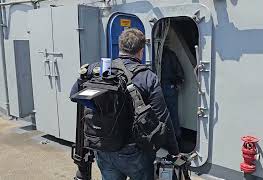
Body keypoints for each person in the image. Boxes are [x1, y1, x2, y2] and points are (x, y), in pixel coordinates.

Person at [70, 28, 180, 180]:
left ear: (120, 47)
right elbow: (162, 116)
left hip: (102, 146)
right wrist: (173, 149)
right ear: (141, 51)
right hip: (133, 151)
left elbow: (74, 95)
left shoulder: (100, 70)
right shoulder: (147, 77)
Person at [161, 45, 184, 141]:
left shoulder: (155, 53)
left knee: (161, 113)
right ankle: (176, 137)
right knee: (173, 113)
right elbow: (179, 71)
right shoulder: (170, 54)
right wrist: (178, 82)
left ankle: (163, 137)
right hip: (169, 86)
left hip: (159, 85)